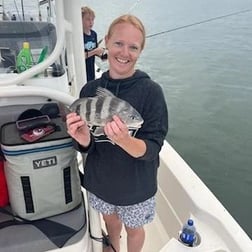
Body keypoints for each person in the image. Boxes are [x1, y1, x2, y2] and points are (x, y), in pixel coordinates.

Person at [66, 14, 168, 252]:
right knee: (110, 221)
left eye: (133, 47)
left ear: (140, 51)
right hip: (100, 181)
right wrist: (82, 140)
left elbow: (153, 147)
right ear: (106, 42)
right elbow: (87, 145)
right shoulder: (90, 90)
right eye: (118, 43)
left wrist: (124, 140)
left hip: (136, 187)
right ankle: (113, 247)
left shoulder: (151, 92)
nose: (124, 52)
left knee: (134, 230)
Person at [81, 6, 106, 81]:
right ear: (80, 20)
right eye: (88, 19)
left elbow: (94, 52)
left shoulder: (94, 34)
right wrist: (95, 51)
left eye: (92, 19)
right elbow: (79, 57)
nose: (91, 22)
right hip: (82, 73)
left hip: (91, 72)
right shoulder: (78, 36)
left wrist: (103, 55)